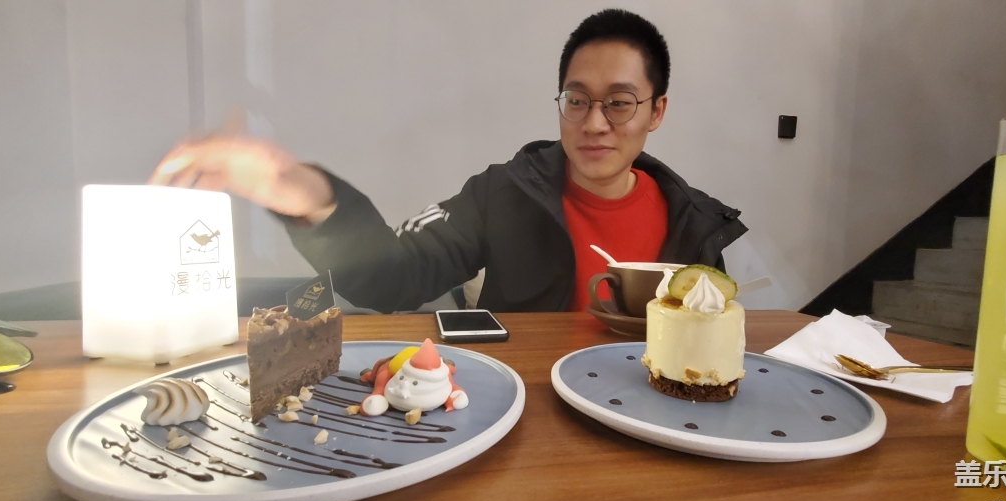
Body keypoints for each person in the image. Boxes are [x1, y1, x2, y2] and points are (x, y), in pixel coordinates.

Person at [149, 9, 747, 313]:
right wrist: (308, 196)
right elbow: (390, 276)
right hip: (523, 419)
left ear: (656, 110)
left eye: (619, 102)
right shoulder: (503, 194)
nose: (593, 122)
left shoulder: (694, 227)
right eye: (577, 99)